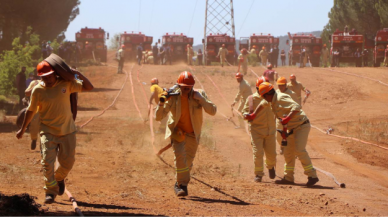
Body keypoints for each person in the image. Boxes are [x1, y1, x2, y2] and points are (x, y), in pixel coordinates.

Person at [16, 60, 94, 203]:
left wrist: (77, 73)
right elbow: (31, 110)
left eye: (50, 76)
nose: (48, 79)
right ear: (40, 77)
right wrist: (22, 129)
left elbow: (89, 87)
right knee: (47, 162)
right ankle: (50, 192)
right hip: (47, 131)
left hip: (68, 131)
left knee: (68, 163)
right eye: (44, 77)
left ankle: (58, 179)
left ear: (55, 74)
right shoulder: (38, 89)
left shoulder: (66, 84)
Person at [155, 71, 217, 197]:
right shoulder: (173, 97)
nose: (185, 90)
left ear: (192, 86)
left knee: (188, 161)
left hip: (193, 134)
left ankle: (180, 181)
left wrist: (202, 99)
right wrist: (161, 103)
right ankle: (181, 185)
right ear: (178, 86)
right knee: (180, 158)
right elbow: (158, 117)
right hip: (178, 132)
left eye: (188, 88)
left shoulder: (199, 95)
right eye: (183, 87)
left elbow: (213, 111)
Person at [257, 82, 319, 186]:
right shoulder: (271, 100)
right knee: (288, 152)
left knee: (299, 150)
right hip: (290, 128)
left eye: (263, 97)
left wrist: (287, 118)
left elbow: (297, 106)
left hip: (301, 125)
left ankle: (312, 176)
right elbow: (263, 104)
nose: (264, 99)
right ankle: (288, 177)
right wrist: (253, 114)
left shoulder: (281, 97)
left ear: (267, 95)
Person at [242, 77, 276, 182]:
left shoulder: (273, 98)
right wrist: (246, 115)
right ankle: (258, 174)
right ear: (258, 88)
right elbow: (244, 112)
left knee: (271, 154)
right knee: (258, 153)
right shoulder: (251, 99)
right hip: (257, 131)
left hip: (270, 131)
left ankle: (270, 167)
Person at [276, 77, 298, 155]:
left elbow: (297, 106)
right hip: (280, 118)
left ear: (285, 85)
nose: (280, 87)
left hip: (290, 118)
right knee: (278, 136)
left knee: (291, 135)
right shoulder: (276, 93)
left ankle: (291, 150)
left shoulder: (292, 94)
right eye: (279, 85)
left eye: (282, 85)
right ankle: (282, 146)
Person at [24, 77, 41, 150]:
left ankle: (43, 144)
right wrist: (35, 86)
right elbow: (27, 93)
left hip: (47, 109)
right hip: (35, 109)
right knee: (34, 126)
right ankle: (34, 139)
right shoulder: (34, 82)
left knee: (47, 127)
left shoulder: (53, 82)